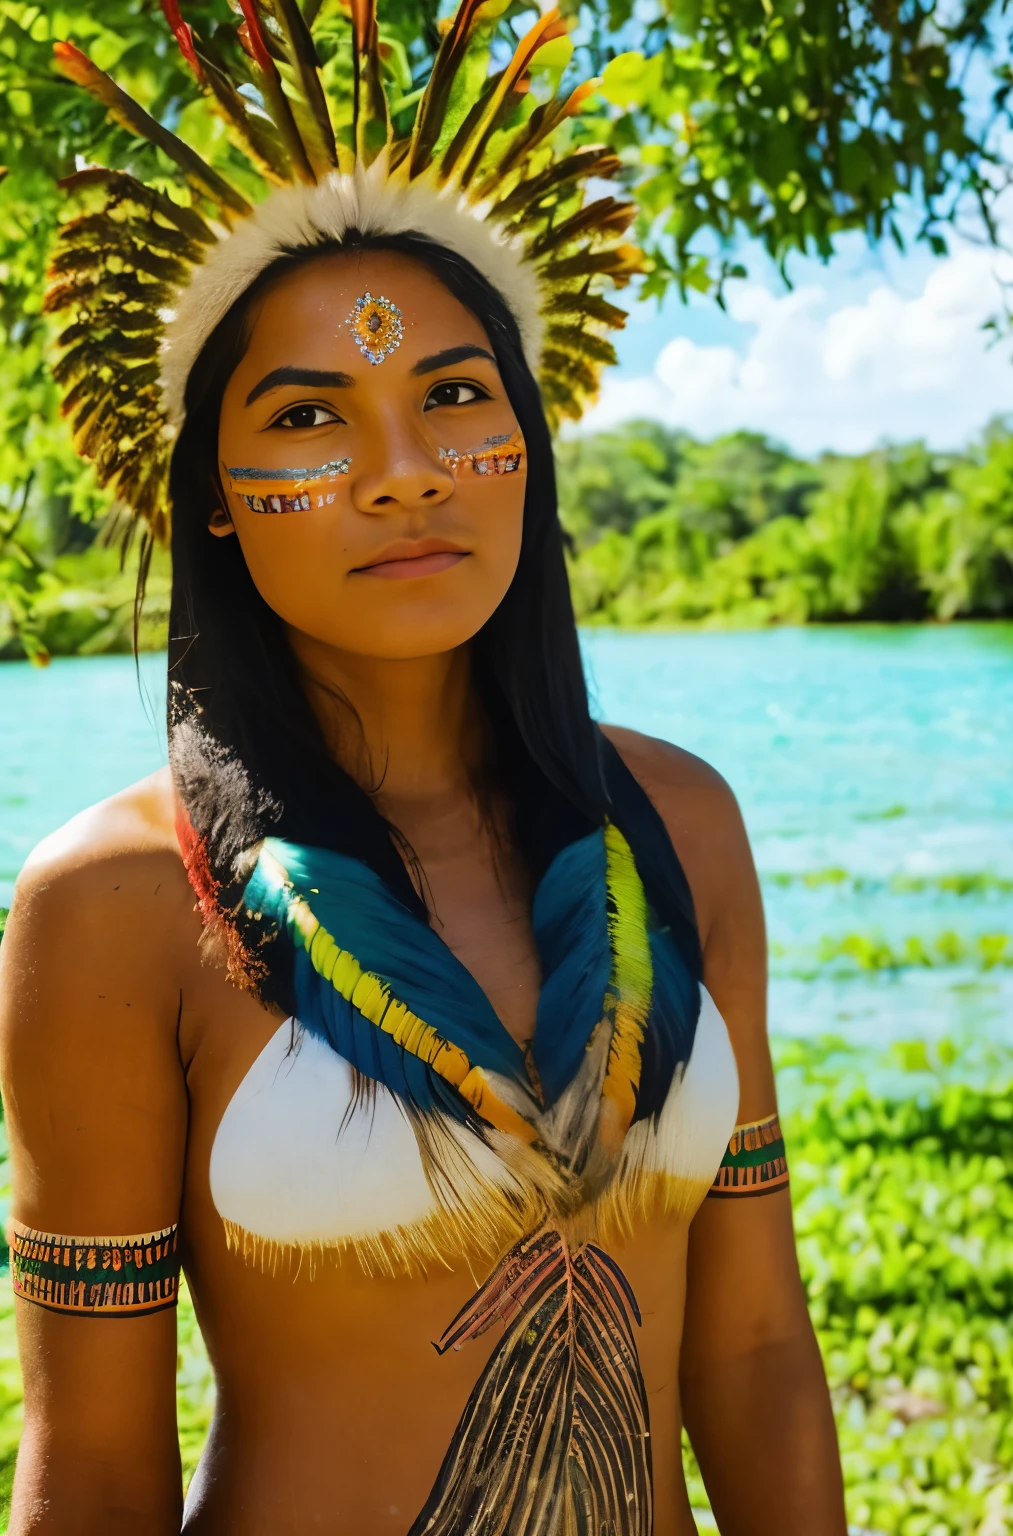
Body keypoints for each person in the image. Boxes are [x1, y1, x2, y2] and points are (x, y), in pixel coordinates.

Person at [0, 2, 847, 1531]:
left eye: (456, 393)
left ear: (526, 431)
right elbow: (99, 1470)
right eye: (309, 417)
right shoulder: (116, 906)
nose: (403, 469)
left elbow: (758, 1347)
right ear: (211, 502)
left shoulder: (681, 826)